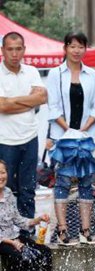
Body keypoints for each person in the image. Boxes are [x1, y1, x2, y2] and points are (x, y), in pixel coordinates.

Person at [45, 32, 95, 246]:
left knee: (86, 181)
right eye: (73, 46)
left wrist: (83, 128)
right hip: (63, 136)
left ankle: (85, 230)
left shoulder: (91, 74)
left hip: (86, 136)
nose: (77, 50)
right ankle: (62, 230)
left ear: (85, 49)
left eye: (81, 46)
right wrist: (68, 129)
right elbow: (52, 107)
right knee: (62, 180)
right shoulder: (55, 74)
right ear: (65, 48)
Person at [0, 160, 66, 271]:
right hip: (2, 239)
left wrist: (38, 220)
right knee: (16, 255)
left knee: (45, 251)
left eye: (3, 172)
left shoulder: (9, 193)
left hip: (14, 235)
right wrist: (11, 242)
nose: (1, 176)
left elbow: (18, 220)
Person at [0, 32, 47, 225]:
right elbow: (2, 106)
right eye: (10, 49)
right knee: (7, 189)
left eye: (18, 49)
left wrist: (12, 101)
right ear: (2, 51)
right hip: (5, 140)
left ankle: (27, 234)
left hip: (30, 137)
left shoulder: (32, 71)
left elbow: (42, 98)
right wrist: (29, 101)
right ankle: (7, 233)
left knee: (28, 189)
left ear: (24, 50)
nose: (14, 53)